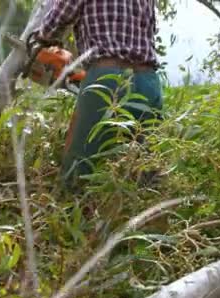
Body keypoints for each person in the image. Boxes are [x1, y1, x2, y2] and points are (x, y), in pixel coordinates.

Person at [33, 0, 163, 189]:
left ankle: (69, 207)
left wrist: (41, 37)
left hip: (108, 77)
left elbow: (59, 18)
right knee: (146, 170)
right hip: (148, 82)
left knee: (79, 167)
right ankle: (149, 214)